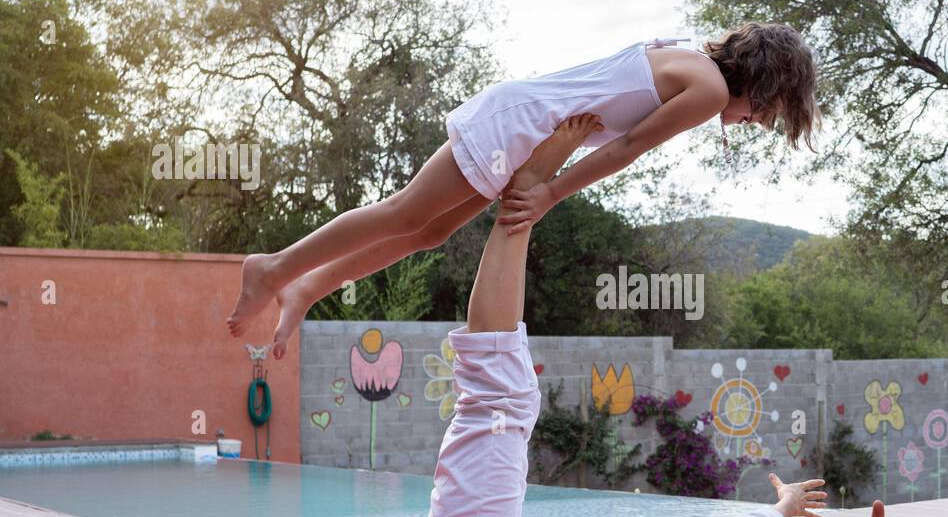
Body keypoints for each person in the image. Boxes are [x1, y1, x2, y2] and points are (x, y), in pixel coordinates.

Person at [413, 122, 948, 517]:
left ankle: (524, 202)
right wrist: (785, 506)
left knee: (503, 398)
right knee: (502, 398)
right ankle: (525, 201)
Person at [225, 23, 821, 359]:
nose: (758, 123)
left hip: (524, 122)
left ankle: (307, 284)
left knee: (429, 230)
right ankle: (273, 267)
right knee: (405, 209)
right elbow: (627, 146)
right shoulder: (711, 89)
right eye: (768, 112)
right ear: (766, 83)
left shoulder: (689, 51)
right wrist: (551, 194)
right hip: (518, 123)